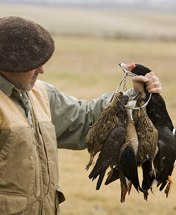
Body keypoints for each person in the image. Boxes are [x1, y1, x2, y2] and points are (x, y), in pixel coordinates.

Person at [0, 16, 162, 215]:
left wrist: (133, 96)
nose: (42, 70)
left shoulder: (40, 93)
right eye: (33, 64)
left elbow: (85, 119)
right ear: (6, 65)